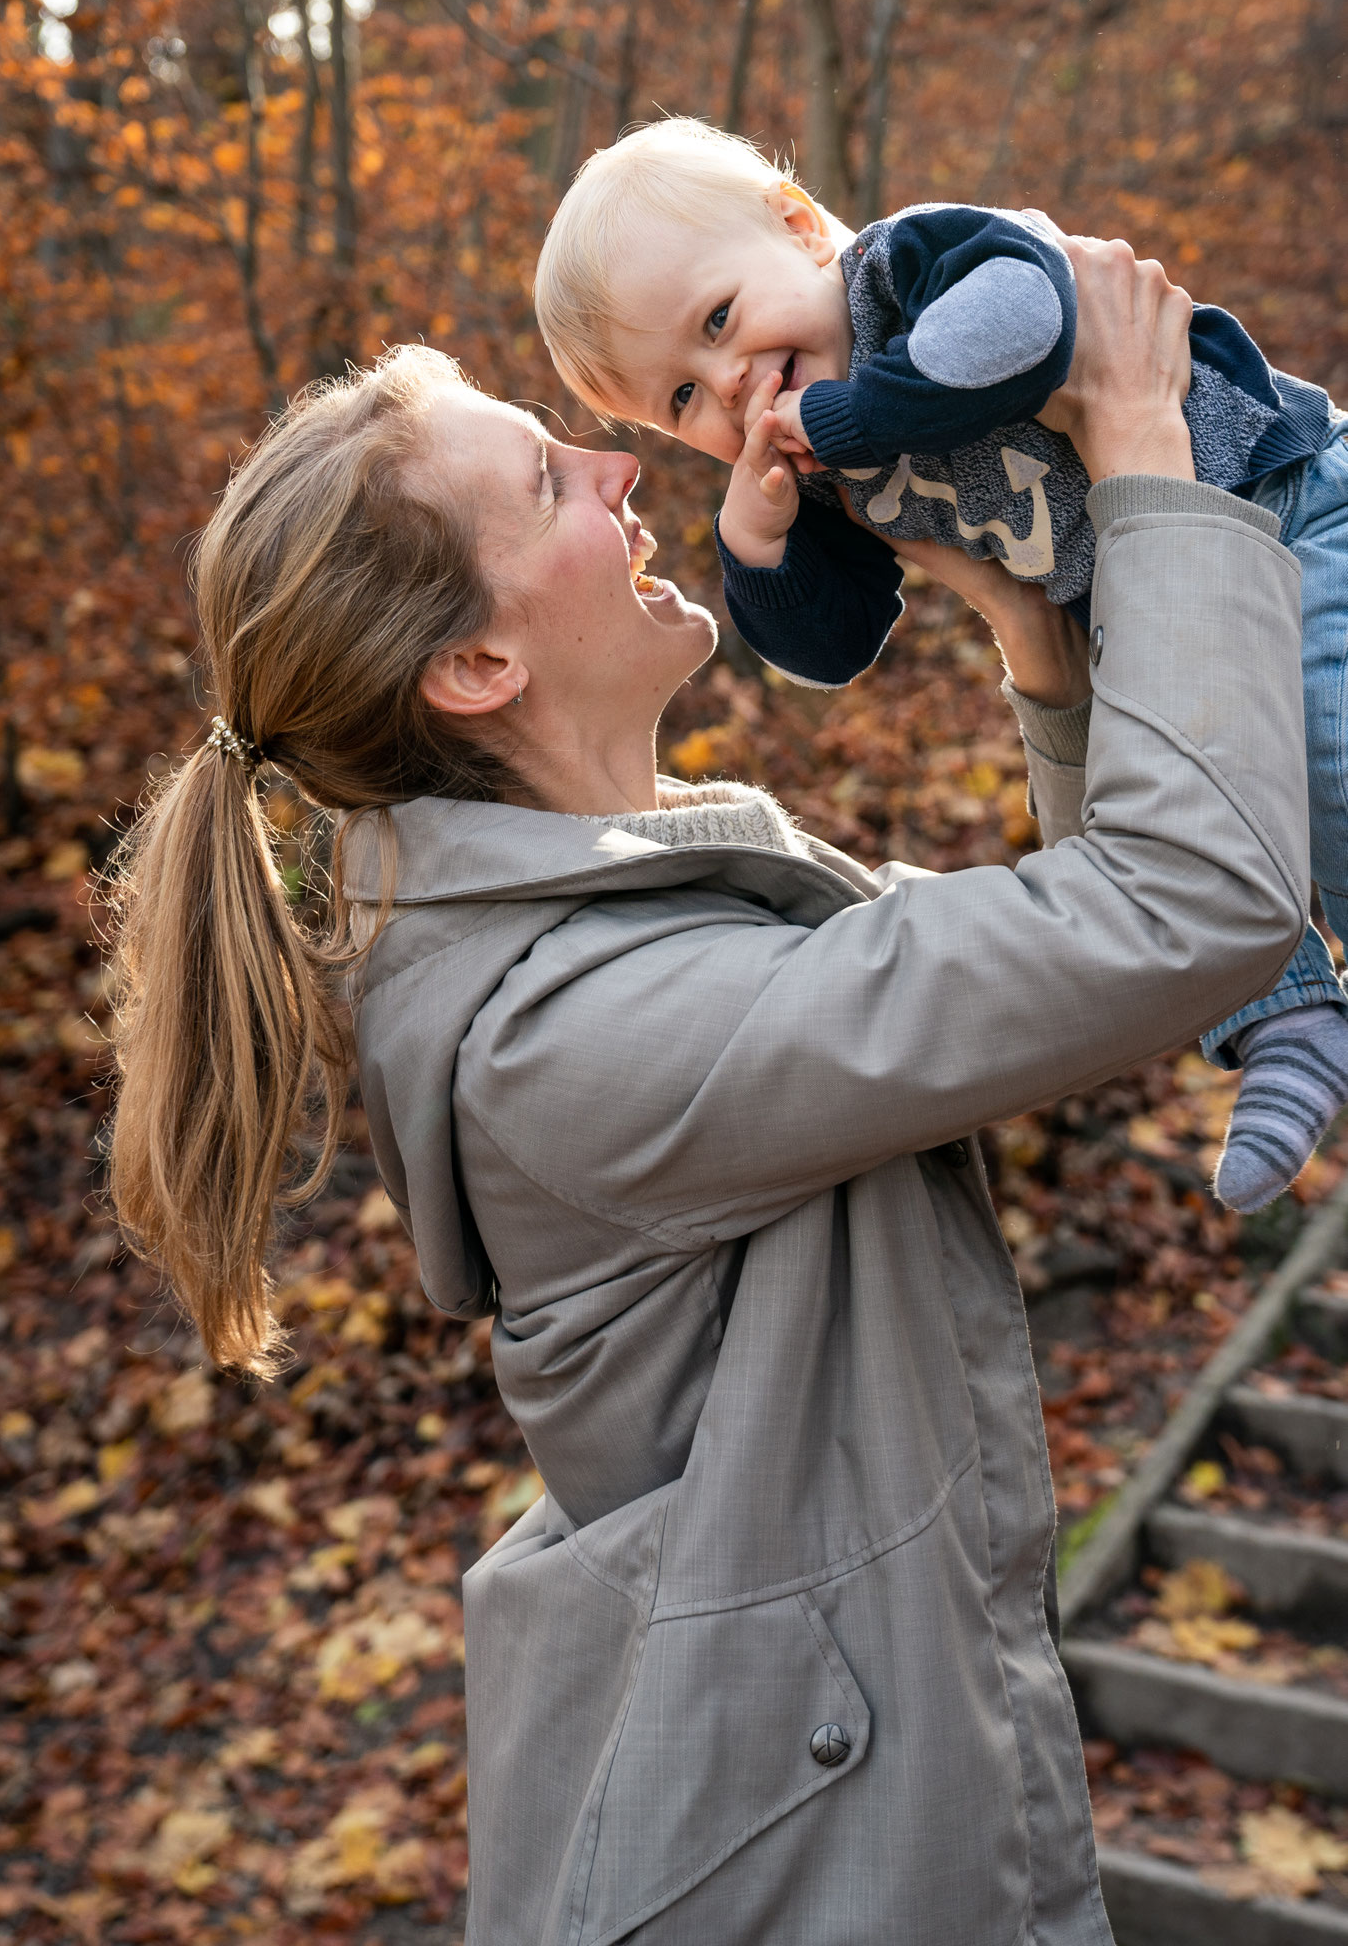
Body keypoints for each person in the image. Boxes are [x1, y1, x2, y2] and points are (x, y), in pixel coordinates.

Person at [109, 244, 1308, 1944]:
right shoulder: (576, 1028)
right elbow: (1186, 910)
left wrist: (1036, 640)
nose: (623, 466)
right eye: (551, 476)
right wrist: (1140, 446)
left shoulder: (631, 912)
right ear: (476, 668)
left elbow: (1081, 950)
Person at [533, 117, 1348, 1216]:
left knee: (1317, 738)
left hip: (1283, 494)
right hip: (1148, 604)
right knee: (1164, 789)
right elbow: (834, 640)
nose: (726, 383)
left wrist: (851, 413)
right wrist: (761, 542)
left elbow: (1030, 319)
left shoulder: (900, 270)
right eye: (680, 397)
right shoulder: (818, 471)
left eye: (719, 320)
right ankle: (1285, 1019)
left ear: (799, 226)